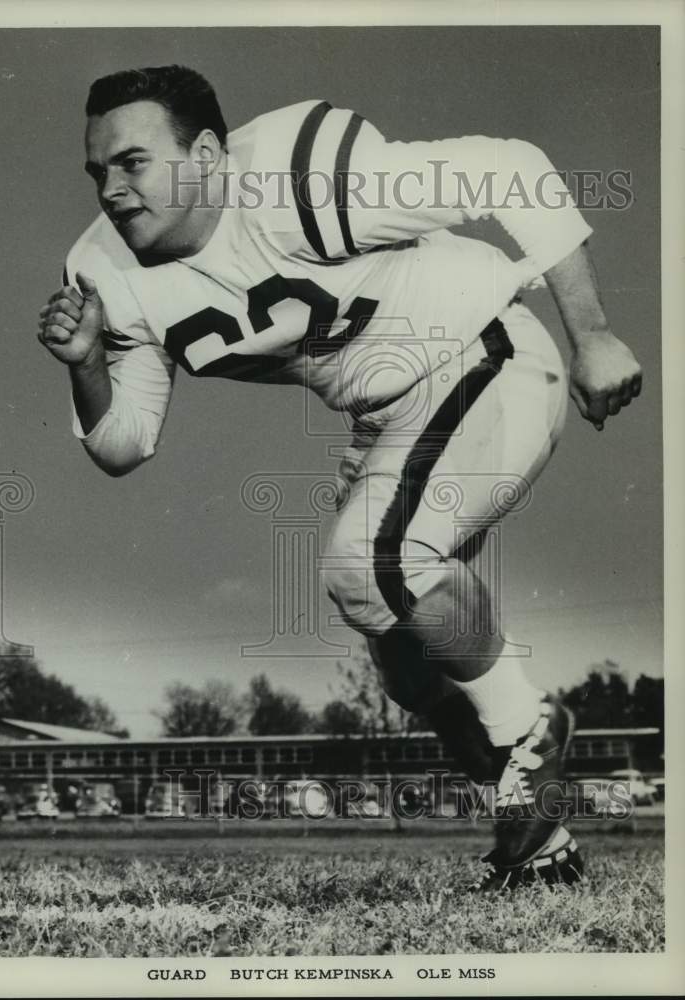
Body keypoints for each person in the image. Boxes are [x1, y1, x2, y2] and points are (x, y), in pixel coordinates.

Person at [38, 66, 642, 889]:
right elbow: (123, 444)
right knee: (404, 664)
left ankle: (533, 724)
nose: (110, 190)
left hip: (482, 351)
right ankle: (537, 841)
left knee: (372, 568)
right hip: (387, 418)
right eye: (97, 170)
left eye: (132, 163)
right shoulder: (105, 272)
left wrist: (594, 335)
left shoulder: (300, 177)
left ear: (208, 153)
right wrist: (84, 368)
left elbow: (510, 167)